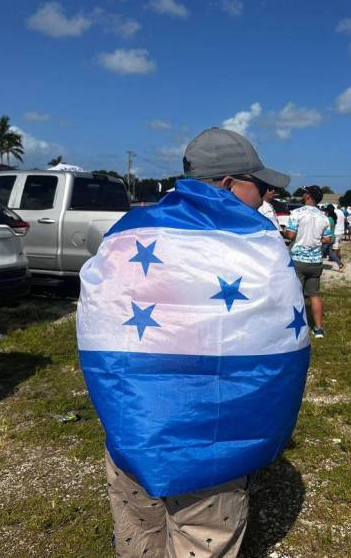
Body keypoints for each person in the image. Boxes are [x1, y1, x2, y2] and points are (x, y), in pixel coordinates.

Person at [80, 127, 303, 557]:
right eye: (259, 185)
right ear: (227, 184)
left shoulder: (132, 231)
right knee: (204, 539)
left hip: (133, 430)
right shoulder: (255, 245)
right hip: (212, 447)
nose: (265, 195)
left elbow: (100, 312)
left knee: (137, 534)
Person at [286, 186, 333, 338]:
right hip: (315, 261)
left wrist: (285, 232)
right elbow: (328, 239)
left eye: (304, 193)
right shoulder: (324, 217)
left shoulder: (296, 213)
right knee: (314, 295)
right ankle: (319, 329)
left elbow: (291, 234)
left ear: (308, 196)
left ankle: (294, 326)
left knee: (295, 294)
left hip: (298, 259)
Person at [322, 204, 345, 271]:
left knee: (321, 252)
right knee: (330, 253)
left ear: (328, 211)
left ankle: (317, 266)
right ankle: (340, 264)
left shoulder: (327, 219)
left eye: (325, 211)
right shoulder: (333, 218)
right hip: (333, 237)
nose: (324, 212)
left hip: (327, 238)